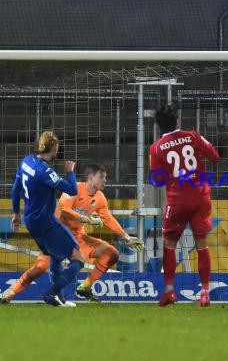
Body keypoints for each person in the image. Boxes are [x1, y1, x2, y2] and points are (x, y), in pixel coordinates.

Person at [1, 163, 145, 304]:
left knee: (111, 253)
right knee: (40, 268)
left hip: (79, 238)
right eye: (102, 177)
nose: (105, 181)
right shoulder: (73, 188)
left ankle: (85, 287)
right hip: (56, 235)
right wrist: (86, 219)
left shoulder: (100, 198)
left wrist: (126, 238)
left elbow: (107, 218)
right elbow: (64, 210)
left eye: (105, 178)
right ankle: (10, 293)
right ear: (91, 177)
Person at [150, 105, 221, 307]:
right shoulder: (193, 136)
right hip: (201, 198)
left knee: (169, 244)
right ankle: (205, 292)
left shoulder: (156, 147)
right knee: (202, 244)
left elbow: (157, 180)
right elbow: (215, 156)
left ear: (158, 126)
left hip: (177, 200)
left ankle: (170, 291)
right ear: (177, 121)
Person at [9, 131, 84, 307]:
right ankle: (52, 292)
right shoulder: (45, 171)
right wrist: (70, 171)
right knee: (78, 258)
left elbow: (15, 189)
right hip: (45, 223)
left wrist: (15, 214)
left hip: (31, 221)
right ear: (55, 148)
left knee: (55, 257)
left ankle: (59, 298)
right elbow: (72, 190)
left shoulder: (26, 161)